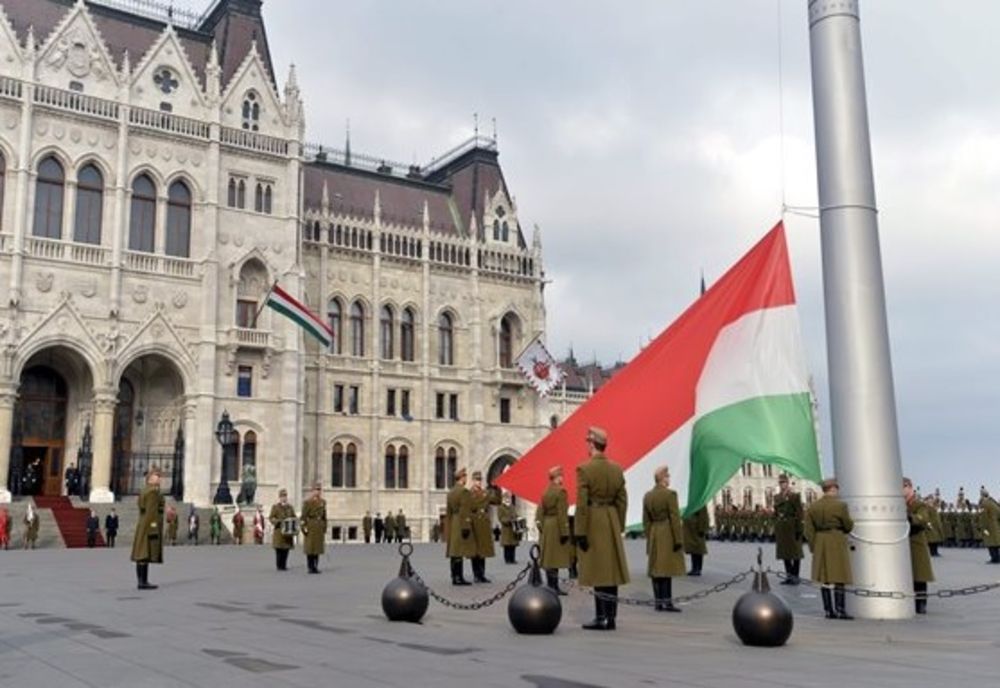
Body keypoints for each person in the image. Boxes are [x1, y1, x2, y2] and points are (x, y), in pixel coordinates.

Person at [575, 426, 629, 631]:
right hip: (611, 519)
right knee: (611, 572)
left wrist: (580, 531)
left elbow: (582, 504)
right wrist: (619, 524)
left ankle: (601, 617)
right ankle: (611, 617)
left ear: (591, 444)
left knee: (598, 571)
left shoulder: (584, 469)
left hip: (594, 520)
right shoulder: (616, 469)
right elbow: (622, 500)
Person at [804, 478, 854, 620]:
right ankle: (840, 610)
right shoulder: (841, 506)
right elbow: (848, 526)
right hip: (836, 540)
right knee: (839, 577)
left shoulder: (813, 507)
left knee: (824, 578)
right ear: (833, 489)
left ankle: (828, 610)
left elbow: (808, 531)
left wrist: (814, 547)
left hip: (820, 541)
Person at [643, 466, 684, 612]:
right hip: (667, 532)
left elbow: (646, 520)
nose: (669, 479)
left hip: (654, 532)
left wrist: (649, 536)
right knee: (666, 569)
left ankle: (658, 602)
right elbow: (674, 518)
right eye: (668, 476)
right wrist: (678, 539)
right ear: (663, 478)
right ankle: (667, 602)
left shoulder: (648, 496)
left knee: (656, 569)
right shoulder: (670, 494)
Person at [535, 466, 573, 594]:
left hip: (547, 525)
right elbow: (562, 513)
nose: (562, 478)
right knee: (555, 558)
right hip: (557, 526)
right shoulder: (561, 491)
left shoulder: (546, 491)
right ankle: (554, 587)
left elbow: (541, 510)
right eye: (561, 476)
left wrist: (541, 527)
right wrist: (564, 531)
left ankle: (550, 585)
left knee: (549, 558)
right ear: (557, 477)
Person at [130, 467, 165, 590]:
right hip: (149, 525)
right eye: (157, 477)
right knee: (144, 553)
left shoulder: (145, 490)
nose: (159, 479)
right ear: (150, 479)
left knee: (141, 553)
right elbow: (152, 512)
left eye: (159, 477)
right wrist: (153, 528)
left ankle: (142, 581)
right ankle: (142, 582)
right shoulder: (153, 492)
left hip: (143, 524)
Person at [903, 478, 934, 614]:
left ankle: (921, 604)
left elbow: (923, 519)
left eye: (903, 487)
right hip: (902, 543)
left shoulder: (919, 505)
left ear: (910, 487)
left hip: (916, 543)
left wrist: (910, 518)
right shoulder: (899, 503)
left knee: (919, 576)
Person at [446, 467, 475, 585]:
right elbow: (465, 510)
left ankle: (454, 576)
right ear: (462, 478)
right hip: (460, 522)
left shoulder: (451, 492)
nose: (466, 479)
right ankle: (459, 577)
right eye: (465, 477)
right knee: (459, 550)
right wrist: (466, 526)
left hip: (453, 521)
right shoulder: (464, 492)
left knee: (454, 551)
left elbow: (448, 511)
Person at [773, 474, 804, 584]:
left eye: (784, 482)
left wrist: (799, 529)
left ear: (787, 483)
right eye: (780, 483)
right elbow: (775, 513)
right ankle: (789, 576)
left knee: (795, 553)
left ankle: (795, 576)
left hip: (792, 526)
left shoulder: (794, 496)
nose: (782, 484)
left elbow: (799, 513)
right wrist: (776, 525)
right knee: (785, 553)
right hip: (782, 527)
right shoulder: (777, 497)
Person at [469, 471, 499, 583]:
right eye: (477, 480)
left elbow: (497, 501)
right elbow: (470, 506)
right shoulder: (470, 493)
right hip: (475, 523)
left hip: (484, 524)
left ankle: (482, 574)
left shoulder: (485, 492)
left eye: (480, 480)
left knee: (483, 551)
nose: (479, 482)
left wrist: (496, 489)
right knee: (475, 551)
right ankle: (476, 574)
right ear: (473, 481)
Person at [301, 482, 327, 574]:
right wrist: (304, 528)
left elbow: (324, 516)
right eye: (316, 490)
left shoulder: (322, 502)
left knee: (317, 548)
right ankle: (310, 566)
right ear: (312, 491)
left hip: (319, 527)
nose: (318, 492)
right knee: (310, 548)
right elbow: (303, 517)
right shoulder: (308, 502)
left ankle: (316, 566)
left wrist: (324, 527)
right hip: (311, 526)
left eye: (319, 490)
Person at [269, 488, 297, 571]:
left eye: (285, 496)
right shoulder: (275, 507)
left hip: (288, 531)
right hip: (279, 531)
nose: (284, 498)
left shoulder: (290, 507)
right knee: (279, 549)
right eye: (282, 496)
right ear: (280, 497)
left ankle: (284, 565)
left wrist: (294, 524)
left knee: (286, 549)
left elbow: (294, 517)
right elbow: (271, 517)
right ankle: (279, 565)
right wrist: (277, 521)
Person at [682, 505, 709, 577]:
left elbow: (703, 517)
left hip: (696, 528)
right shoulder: (691, 503)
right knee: (692, 550)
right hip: (690, 529)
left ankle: (698, 569)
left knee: (698, 550)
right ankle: (694, 568)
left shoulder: (700, 503)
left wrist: (702, 529)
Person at [979, 487, 1000, 563]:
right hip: (996, 526)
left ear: (982, 495)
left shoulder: (985, 504)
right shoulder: (994, 503)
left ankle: (994, 558)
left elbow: (983, 517)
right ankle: (997, 558)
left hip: (989, 527)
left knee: (990, 543)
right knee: (995, 543)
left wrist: (983, 528)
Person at [498, 491, 520, 565]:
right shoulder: (501, 507)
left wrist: (518, 518)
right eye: (506, 498)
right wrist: (508, 520)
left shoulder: (512, 506)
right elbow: (501, 518)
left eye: (509, 498)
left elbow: (516, 515)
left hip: (513, 529)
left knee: (513, 545)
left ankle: (512, 559)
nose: (508, 499)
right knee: (507, 546)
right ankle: (507, 559)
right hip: (506, 529)